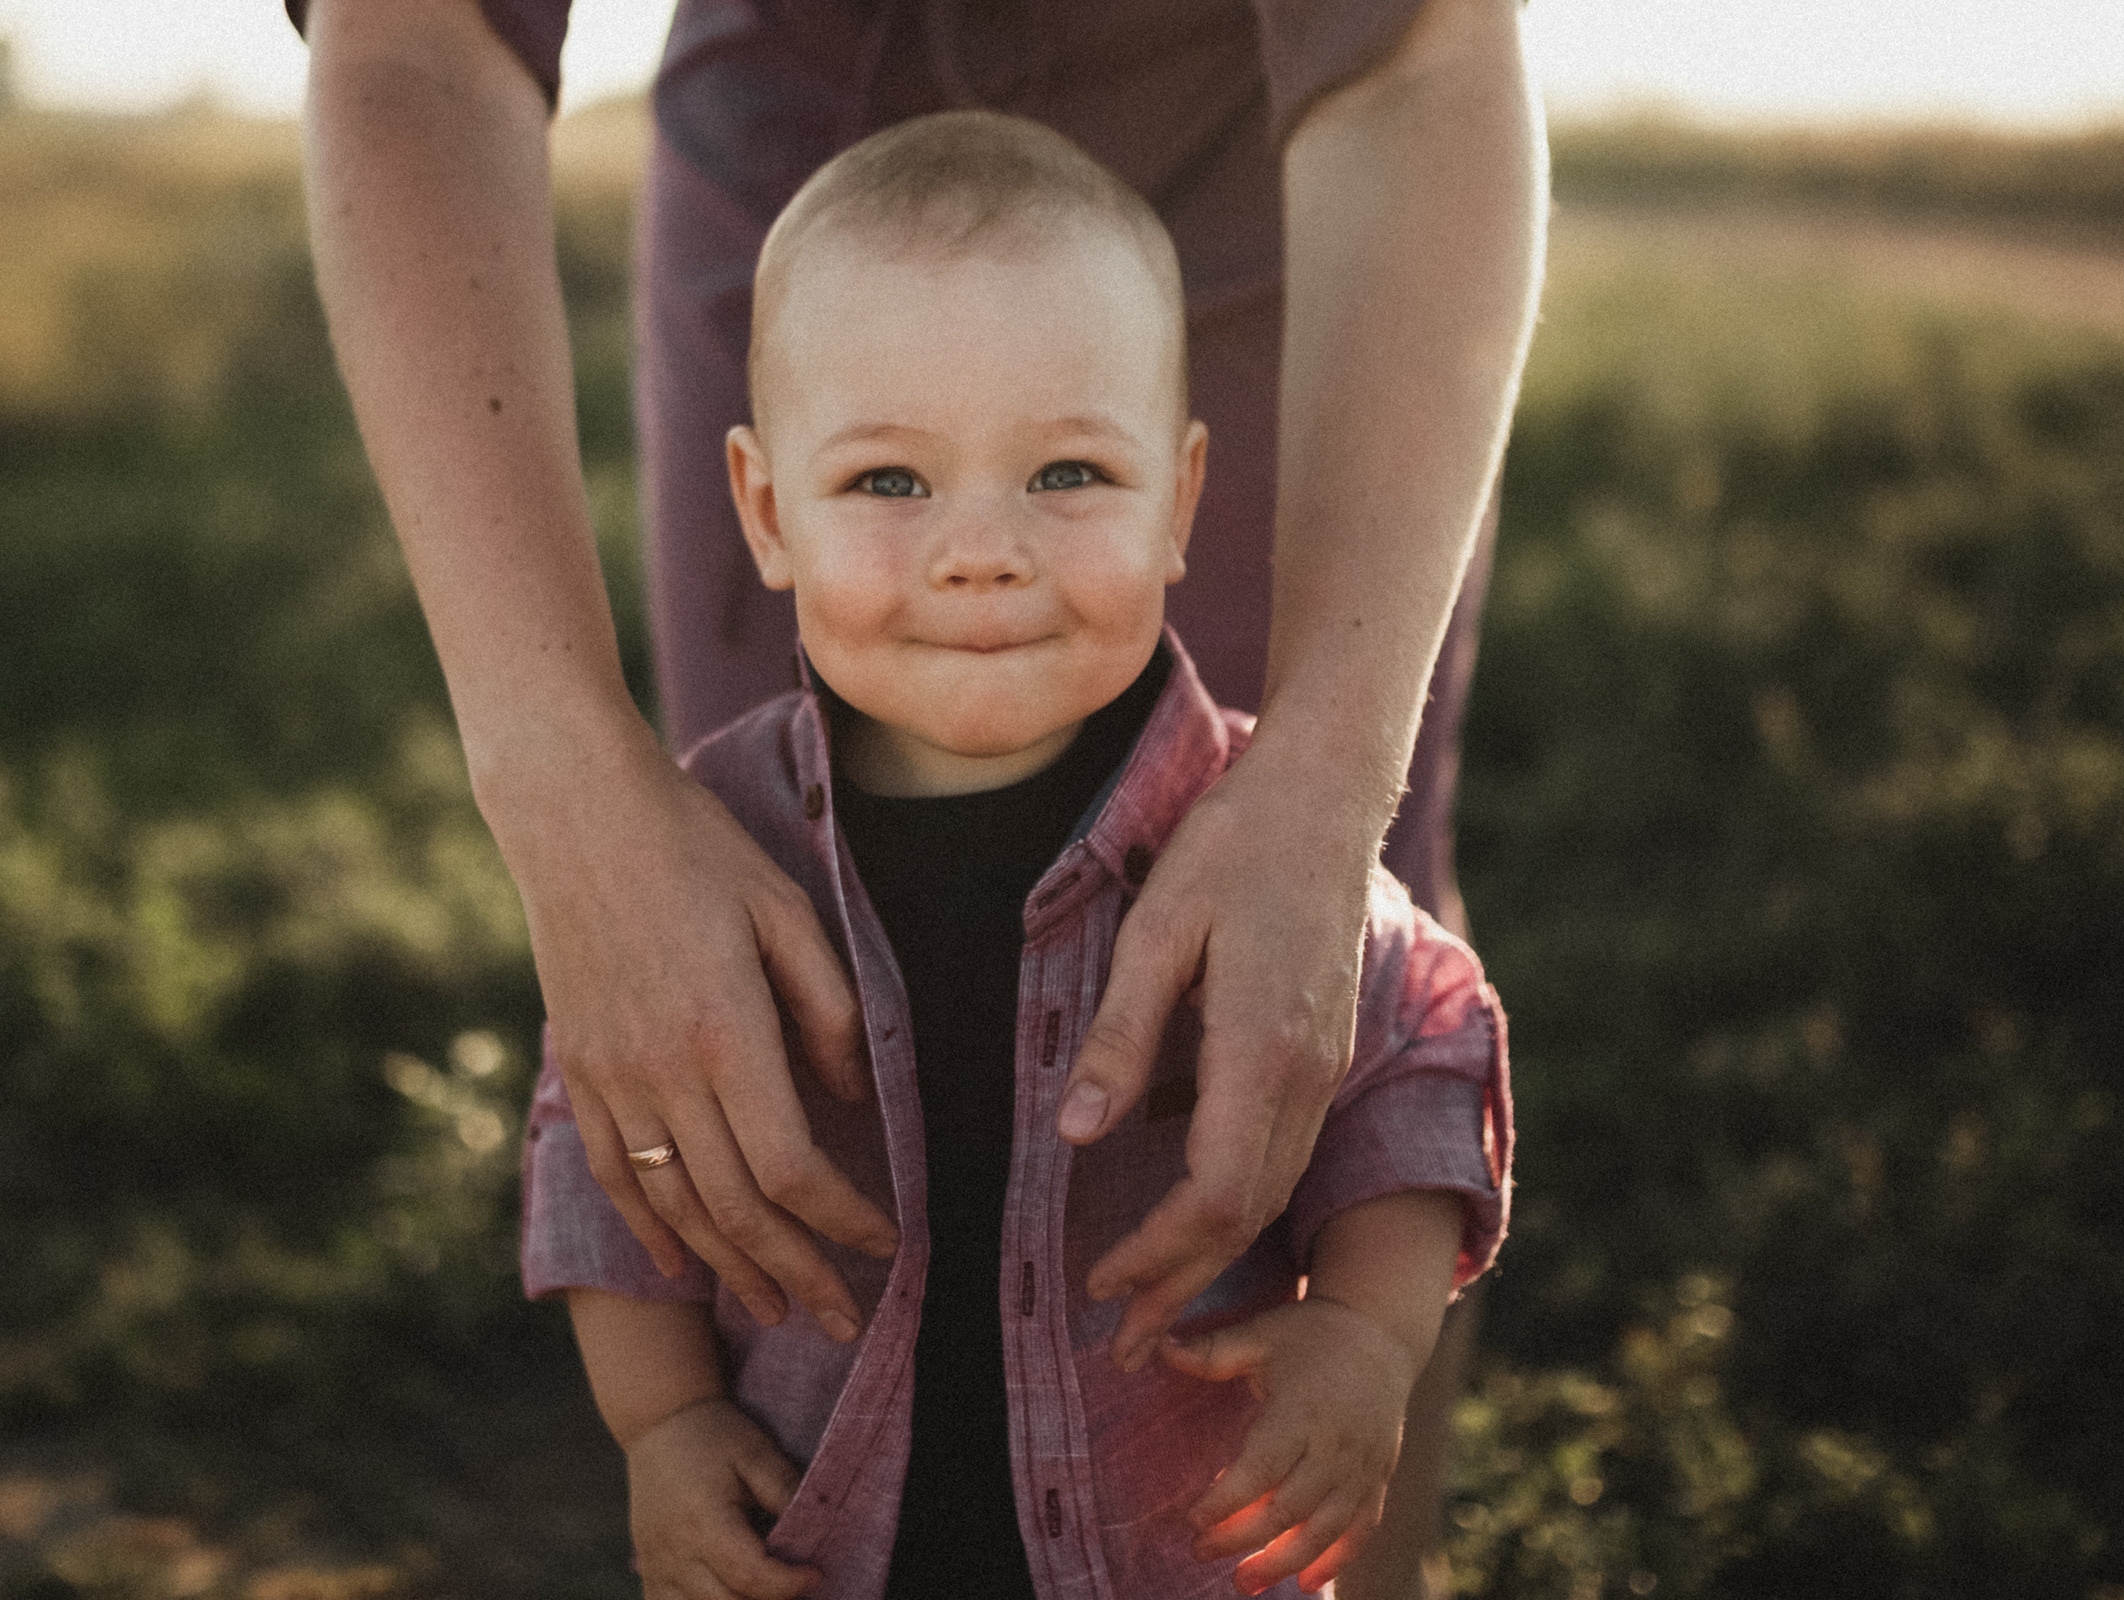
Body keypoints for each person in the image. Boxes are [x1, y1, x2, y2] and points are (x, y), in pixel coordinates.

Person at [298, 0, 1542, 1591]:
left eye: (1073, 479)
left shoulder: (1201, 758)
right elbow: (415, 46)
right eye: (888, 483)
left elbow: (1409, 1040)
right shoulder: (750, 822)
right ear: (764, 505)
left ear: (1186, 496)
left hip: (1260, 106)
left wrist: (1367, 1332)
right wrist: (664, 1424)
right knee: (679, 997)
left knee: (1293, 953)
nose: (981, 549)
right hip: (804, 100)